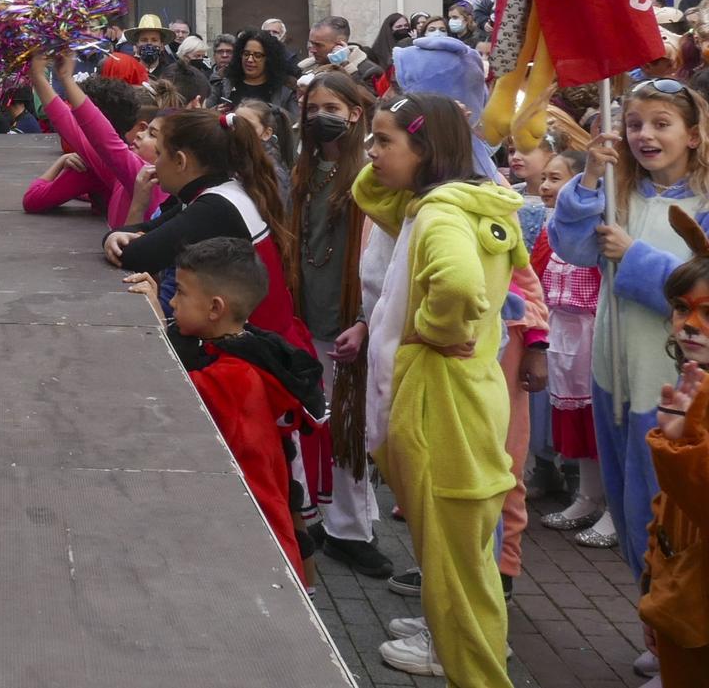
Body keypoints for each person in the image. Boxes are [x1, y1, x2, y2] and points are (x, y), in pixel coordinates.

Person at [355, 93, 525, 684]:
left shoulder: (441, 214)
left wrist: (433, 330)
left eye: (384, 142)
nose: (371, 154)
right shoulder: (454, 202)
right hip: (466, 404)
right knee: (466, 567)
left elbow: (455, 286)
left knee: (457, 582)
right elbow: (371, 193)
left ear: (425, 151)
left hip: (444, 412)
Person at [548, 80, 709, 608]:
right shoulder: (621, 190)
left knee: (669, 515)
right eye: (636, 123)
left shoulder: (705, 204)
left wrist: (634, 255)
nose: (645, 135)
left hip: (671, 384)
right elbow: (571, 246)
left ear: (693, 134)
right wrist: (592, 175)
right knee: (627, 506)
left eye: (662, 123)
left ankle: (676, 634)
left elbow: (702, 296)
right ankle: (654, 625)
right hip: (613, 370)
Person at [127, 237, 324, 580]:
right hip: (261, 521)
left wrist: (159, 327)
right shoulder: (248, 347)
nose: (171, 302)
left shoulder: (234, 377)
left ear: (215, 308)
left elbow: (172, 394)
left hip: (254, 538)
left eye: (181, 293)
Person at [289, 74, 391, 581]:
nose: (318, 116)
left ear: (355, 112)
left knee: (350, 429)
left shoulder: (372, 172)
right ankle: (327, 520)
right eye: (311, 108)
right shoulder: (304, 171)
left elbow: (380, 256)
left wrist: (362, 320)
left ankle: (351, 530)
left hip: (349, 320)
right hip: (305, 315)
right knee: (318, 425)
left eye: (330, 106)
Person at [105, 110, 311, 358]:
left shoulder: (217, 207)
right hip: (254, 345)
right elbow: (142, 232)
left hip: (261, 359)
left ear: (181, 161)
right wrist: (113, 237)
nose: (155, 164)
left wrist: (116, 239)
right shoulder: (217, 191)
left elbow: (136, 255)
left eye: (159, 154)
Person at [532, 148, 616, 546]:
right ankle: (588, 496)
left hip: (593, 327)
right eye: (544, 178)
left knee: (601, 417)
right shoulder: (550, 227)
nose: (547, 187)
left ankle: (616, 511)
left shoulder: (605, 221)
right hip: (562, 329)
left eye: (556, 178)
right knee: (575, 416)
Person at [642, 244, 709, 683]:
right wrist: (653, 586)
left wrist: (680, 446)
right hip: (681, 593)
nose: (690, 325)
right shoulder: (692, 388)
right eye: (681, 308)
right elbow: (668, 510)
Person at [27, 52, 166, 229]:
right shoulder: (121, 170)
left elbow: (101, 135)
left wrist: (67, 80)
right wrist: (39, 77)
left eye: (152, 135)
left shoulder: (144, 174)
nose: (140, 135)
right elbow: (68, 124)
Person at [217, 28, 300, 119]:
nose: (250, 60)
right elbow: (206, 115)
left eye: (257, 56)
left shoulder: (285, 89)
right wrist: (216, 113)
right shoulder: (224, 82)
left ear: (269, 59)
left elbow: (294, 123)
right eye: (246, 54)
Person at [301, 16, 382, 89]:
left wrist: (346, 67)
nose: (312, 50)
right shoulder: (307, 68)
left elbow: (370, 101)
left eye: (318, 45)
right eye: (311, 43)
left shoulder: (369, 71)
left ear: (339, 45)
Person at [125, 14, 181, 82]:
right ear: (137, 45)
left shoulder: (171, 74)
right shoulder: (128, 72)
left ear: (162, 46)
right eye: (144, 40)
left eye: (154, 40)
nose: (149, 44)